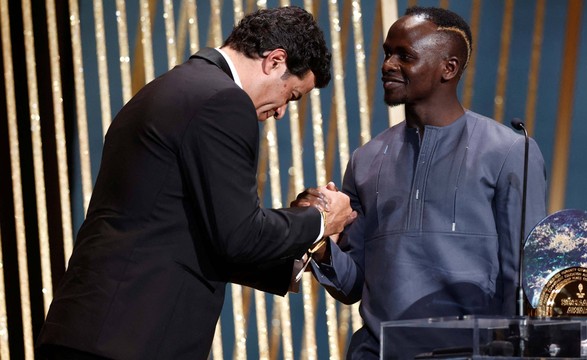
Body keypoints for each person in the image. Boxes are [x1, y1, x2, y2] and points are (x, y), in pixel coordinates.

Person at [36, 6, 355, 360]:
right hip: (133, 337)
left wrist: (307, 246)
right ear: (275, 61)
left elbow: (194, 230)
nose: (280, 112)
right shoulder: (223, 101)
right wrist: (322, 219)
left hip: (93, 328)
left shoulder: (169, 87)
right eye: (291, 96)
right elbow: (239, 235)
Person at [302, 6, 547, 359]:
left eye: (405, 55)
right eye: (387, 52)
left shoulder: (509, 151)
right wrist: (321, 244)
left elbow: (524, 281)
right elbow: (354, 283)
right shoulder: (366, 159)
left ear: (449, 67)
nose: (387, 64)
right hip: (377, 351)